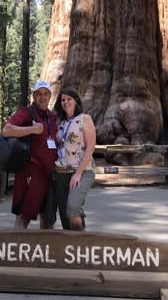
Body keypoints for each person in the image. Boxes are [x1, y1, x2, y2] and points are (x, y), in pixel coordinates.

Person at [2, 80, 58, 229]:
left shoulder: (52, 117)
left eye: (46, 94)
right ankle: (15, 248)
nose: (42, 97)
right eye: (39, 94)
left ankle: (46, 250)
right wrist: (32, 129)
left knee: (47, 217)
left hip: (49, 174)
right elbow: (6, 130)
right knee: (24, 215)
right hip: (31, 172)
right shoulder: (26, 113)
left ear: (50, 96)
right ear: (34, 96)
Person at [47, 87, 96, 230]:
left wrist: (78, 173)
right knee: (66, 216)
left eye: (69, 99)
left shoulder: (84, 119)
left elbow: (91, 147)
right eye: (63, 99)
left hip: (82, 172)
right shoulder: (60, 123)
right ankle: (71, 245)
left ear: (76, 101)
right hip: (61, 173)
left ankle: (80, 244)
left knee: (73, 207)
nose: (66, 102)